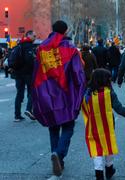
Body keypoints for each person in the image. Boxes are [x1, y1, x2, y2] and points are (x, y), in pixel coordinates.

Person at [31, 20, 85, 179]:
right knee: (68, 127)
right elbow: (77, 74)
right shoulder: (70, 49)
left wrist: (36, 97)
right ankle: (59, 155)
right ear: (66, 31)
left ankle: (55, 152)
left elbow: (36, 75)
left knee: (53, 128)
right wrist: (80, 93)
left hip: (47, 94)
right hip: (66, 94)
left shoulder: (41, 48)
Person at [82, 68, 125, 180]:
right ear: (105, 80)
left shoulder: (88, 93)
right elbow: (119, 109)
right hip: (107, 126)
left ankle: (99, 174)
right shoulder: (109, 92)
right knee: (108, 145)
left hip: (92, 127)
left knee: (97, 149)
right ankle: (109, 168)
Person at [8, 30, 37, 121]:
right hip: (28, 73)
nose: (35, 38)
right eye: (34, 36)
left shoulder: (19, 45)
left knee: (19, 93)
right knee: (32, 92)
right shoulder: (29, 46)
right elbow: (30, 61)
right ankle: (29, 109)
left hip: (18, 74)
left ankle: (17, 115)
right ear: (29, 35)